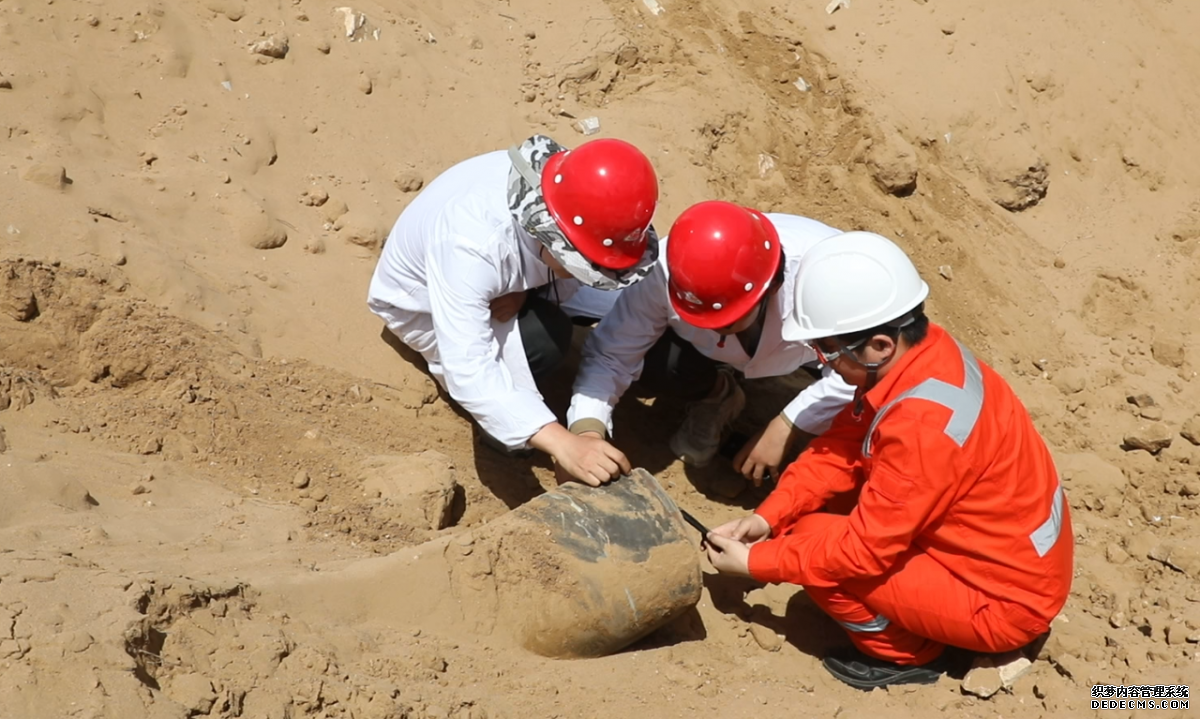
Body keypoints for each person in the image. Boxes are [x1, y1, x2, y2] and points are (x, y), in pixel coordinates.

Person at [703, 231, 1073, 691]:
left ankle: (908, 655)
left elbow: (859, 554)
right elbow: (840, 446)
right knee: (810, 522)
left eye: (828, 350)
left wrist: (757, 562)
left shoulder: (921, 425)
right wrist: (768, 517)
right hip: (1009, 559)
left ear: (878, 344)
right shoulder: (925, 356)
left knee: (815, 546)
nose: (824, 361)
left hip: (1004, 601)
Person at [367, 134, 661, 487]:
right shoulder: (471, 247)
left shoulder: (573, 192)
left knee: (604, 308)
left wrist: (523, 290)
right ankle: (504, 436)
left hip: (499, 280)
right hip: (421, 303)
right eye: (587, 266)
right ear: (554, 237)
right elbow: (470, 367)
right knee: (545, 339)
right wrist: (562, 443)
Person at [568, 201, 855, 482]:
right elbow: (613, 353)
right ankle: (719, 395)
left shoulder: (830, 277)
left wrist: (788, 423)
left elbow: (872, 368)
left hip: (816, 353)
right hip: (706, 351)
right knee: (658, 361)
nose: (716, 331)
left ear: (773, 286)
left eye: (727, 321)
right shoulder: (666, 270)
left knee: (857, 419)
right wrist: (587, 430)